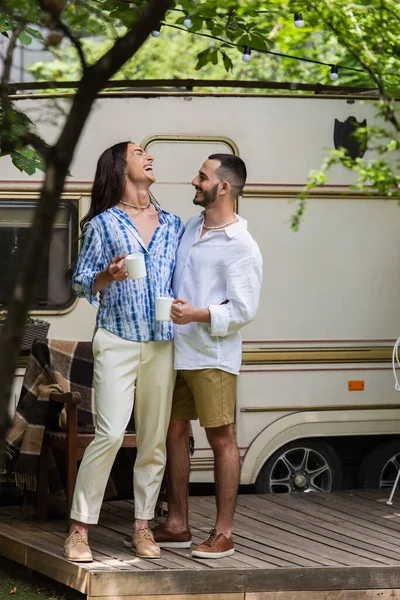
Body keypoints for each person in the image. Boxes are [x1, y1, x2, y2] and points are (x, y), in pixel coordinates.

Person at [63, 141, 183, 562]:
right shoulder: (103, 224)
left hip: (162, 341)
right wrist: (106, 275)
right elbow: (79, 283)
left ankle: (142, 526)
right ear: (120, 166)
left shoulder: (173, 224)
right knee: (111, 433)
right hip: (116, 338)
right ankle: (79, 530)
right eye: (138, 152)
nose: (149, 156)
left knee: (153, 439)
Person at [151, 154, 263, 559]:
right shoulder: (190, 227)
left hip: (212, 355)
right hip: (176, 350)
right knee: (175, 432)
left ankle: (224, 533)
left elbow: (243, 311)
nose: (193, 182)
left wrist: (198, 314)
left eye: (202, 176)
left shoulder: (242, 246)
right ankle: (178, 524)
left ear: (224, 187)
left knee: (221, 439)